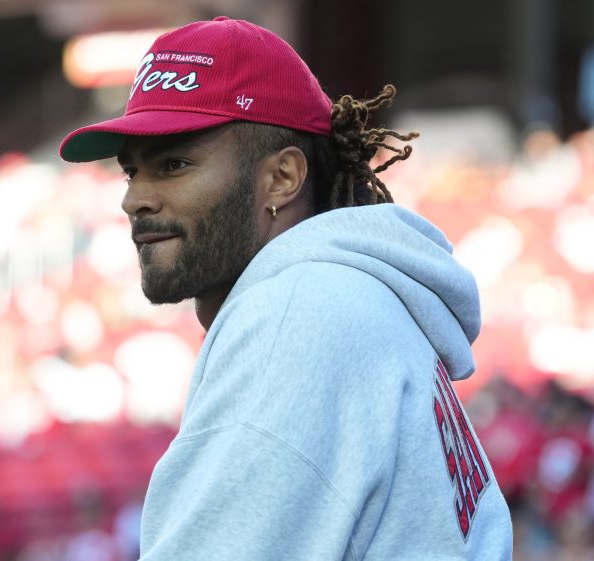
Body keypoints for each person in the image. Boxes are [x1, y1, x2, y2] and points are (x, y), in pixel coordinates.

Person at [60, 16, 513, 560]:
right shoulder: (340, 296)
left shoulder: (297, 313)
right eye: (132, 172)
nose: (134, 200)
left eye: (174, 164)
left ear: (281, 178)